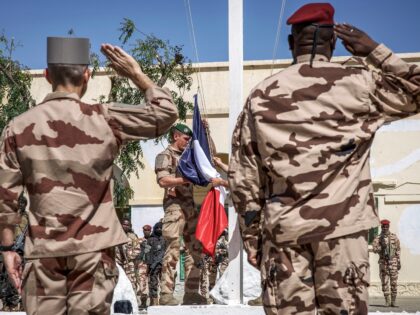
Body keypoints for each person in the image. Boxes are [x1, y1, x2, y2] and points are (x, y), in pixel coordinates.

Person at [228, 3, 420, 314]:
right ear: (334, 43)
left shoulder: (261, 96)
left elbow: (243, 176)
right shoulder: (362, 84)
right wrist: (375, 50)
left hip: (284, 234)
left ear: (292, 43)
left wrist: (253, 240)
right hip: (343, 232)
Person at [0, 37, 178, 315]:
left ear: (47, 76)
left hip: (44, 253)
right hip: (94, 253)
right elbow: (166, 113)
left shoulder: (18, 127)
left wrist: (8, 248)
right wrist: (136, 74)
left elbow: (5, 197)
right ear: (87, 75)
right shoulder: (105, 119)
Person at [155, 123, 206, 305]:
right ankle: (166, 294)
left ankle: (191, 292)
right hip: (174, 208)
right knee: (173, 250)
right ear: (176, 136)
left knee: (195, 251)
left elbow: (208, 157)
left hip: (190, 207)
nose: (188, 142)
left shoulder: (188, 157)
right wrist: (184, 179)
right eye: (186, 138)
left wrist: (206, 133)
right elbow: (163, 180)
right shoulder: (165, 156)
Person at [371, 219, 401, 307]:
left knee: (394, 282)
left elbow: (398, 249)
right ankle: (387, 301)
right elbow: (374, 249)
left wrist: (398, 261)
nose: (385, 228)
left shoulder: (394, 237)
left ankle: (394, 301)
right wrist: (381, 247)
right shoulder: (378, 238)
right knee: (384, 282)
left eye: (386, 226)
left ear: (388, 226)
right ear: (381, 227)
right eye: (383, 226)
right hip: (383, 262)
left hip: (393, 262)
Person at [115, 219, 142, 301]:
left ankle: (133, 300)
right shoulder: (115, 235)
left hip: (129, 264)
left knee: (131, 281)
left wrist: (130, 257)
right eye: (124, 224)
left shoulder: (133, 236)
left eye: (127, 225)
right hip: (117, 263)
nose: (125, 226)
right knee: (117, 281)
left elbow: (137, 249)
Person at [146, 221, 166, 306]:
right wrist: (149, 264)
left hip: (163, 265)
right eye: (157, 228)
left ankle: (164, 300)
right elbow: (147, 252)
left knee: (165, 283)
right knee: (153, 284)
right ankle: (154, 301)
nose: (159, 229)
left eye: (160, 228)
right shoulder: (150, 239)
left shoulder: (165, 239)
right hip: (153, 265)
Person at [136, 224, 152, 310]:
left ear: (150, 231)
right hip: (142, 264)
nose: (146, 231)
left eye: (148, 230)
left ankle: (153, 302)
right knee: (142, 283)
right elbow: (135, 252)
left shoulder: (153, 240)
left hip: (152, 264)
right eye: (144, 230)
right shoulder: (139, 241)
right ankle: (143, 302)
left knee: (152, 282)